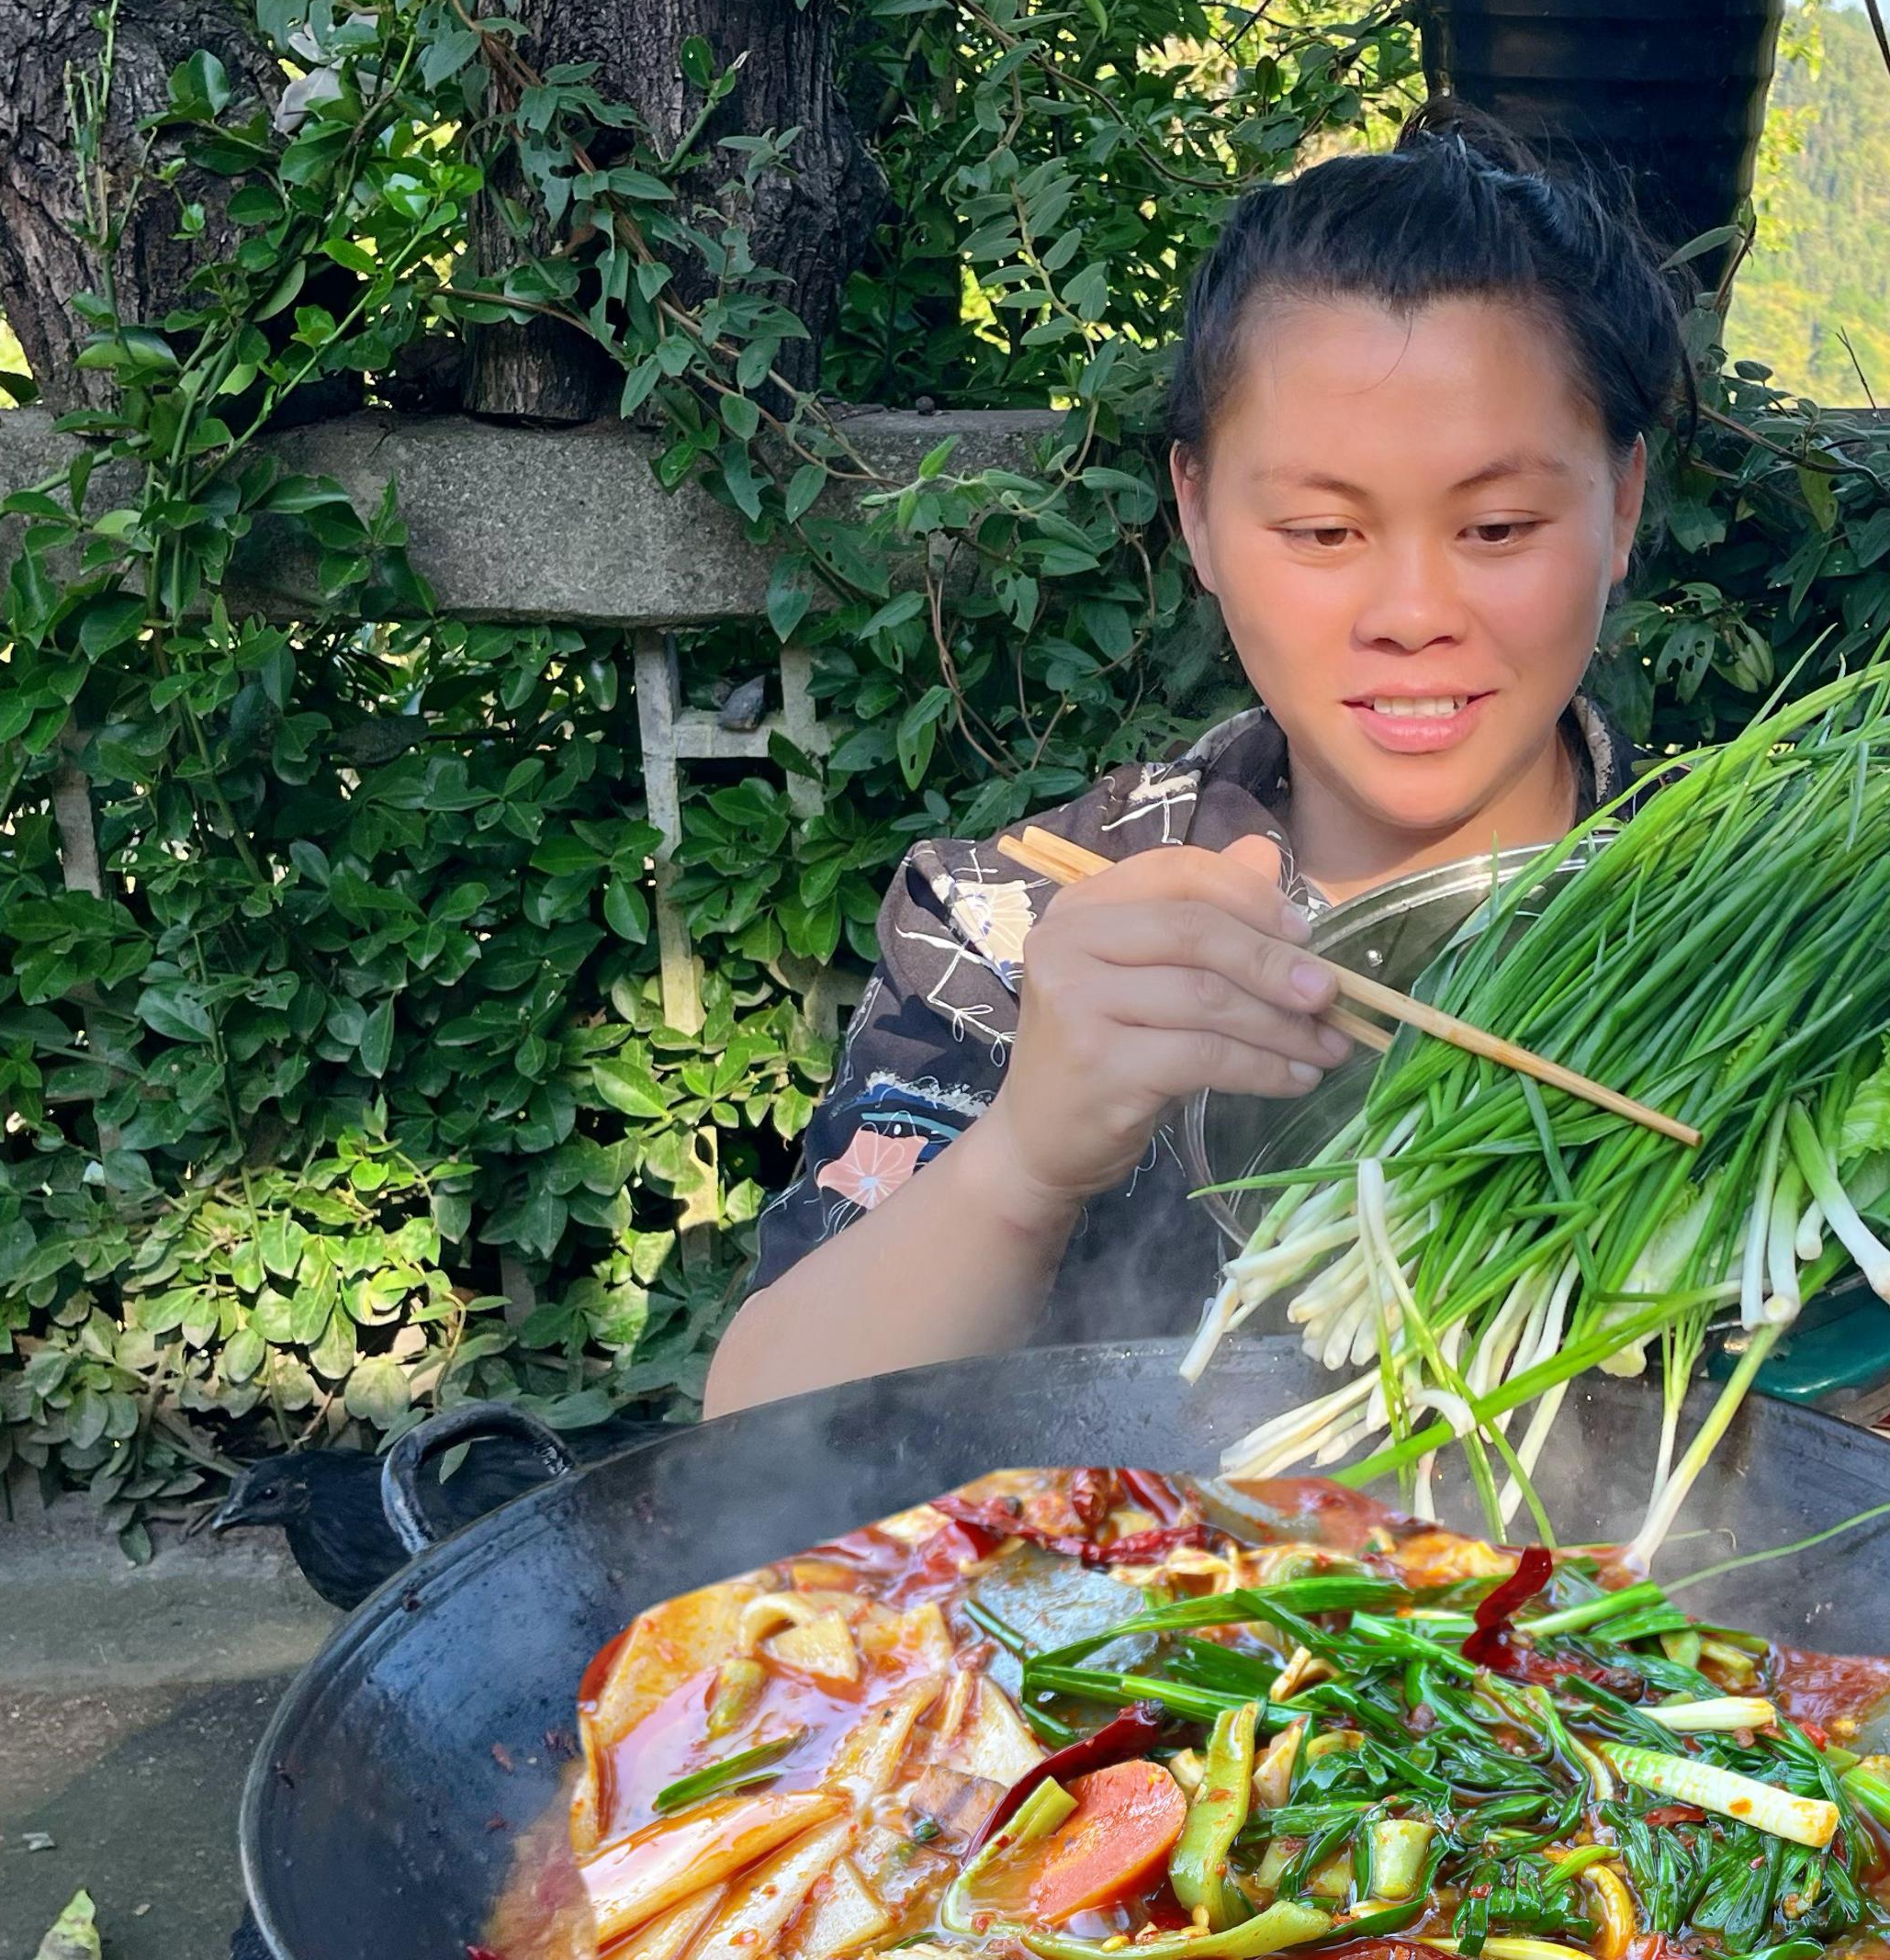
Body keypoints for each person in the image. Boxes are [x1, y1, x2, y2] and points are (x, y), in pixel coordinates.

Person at [699, 118, 1685, 1414]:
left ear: (1621, 505)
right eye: (1322, 530)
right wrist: (1025, 1162)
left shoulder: (1747, 900)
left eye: (1498, 527)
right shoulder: (1023, 918)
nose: (1412, 612)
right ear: (1200, 514)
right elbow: (757, 1430)